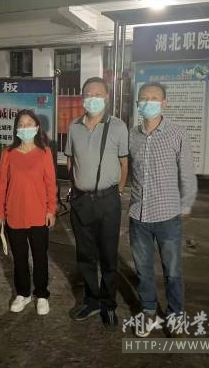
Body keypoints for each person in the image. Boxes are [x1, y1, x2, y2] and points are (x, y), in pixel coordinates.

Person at [128, 82, 197, 338]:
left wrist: (186, 203)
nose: (148, 102)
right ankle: (148, 312)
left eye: (154, 98)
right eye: (144, 98)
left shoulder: (177, 133)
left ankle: (175, 316)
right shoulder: (132, 135)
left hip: (168, 215)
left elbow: (187, 172)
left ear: (164, 103)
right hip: (138, 215)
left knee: (173, 271)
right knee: (143, 270)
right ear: (138, 103)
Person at [65, 77, 128, 329]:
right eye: (87, 94)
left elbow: (124, 163)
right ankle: (91, 301)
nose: (92, 98)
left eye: (97, 93)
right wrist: (77, 188)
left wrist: (117, 192)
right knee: (85, 255)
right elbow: (70, 161)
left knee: (109, 256)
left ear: (107, 97)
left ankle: (108, 304)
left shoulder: (118, 126)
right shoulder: (74, 126)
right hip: (82, 200)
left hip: (108, 200)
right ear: (82, 98)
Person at [0, 109, 57, 315]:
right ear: (16, 129)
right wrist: (0, 211)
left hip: (39, 215)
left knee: (40, 257)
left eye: (29, 123)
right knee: (19, 258)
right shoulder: (8, 153)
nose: (25, 127)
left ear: (37, 127)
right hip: (14, 215)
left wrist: (51, 209)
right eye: (21, 124)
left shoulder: (45, 152)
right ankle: (23, 293)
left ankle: (41, 294)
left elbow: (50, 183)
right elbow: (1, 184)